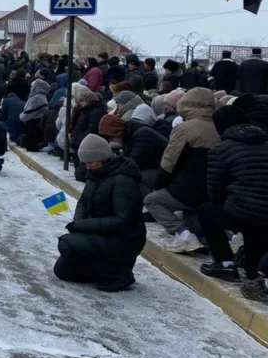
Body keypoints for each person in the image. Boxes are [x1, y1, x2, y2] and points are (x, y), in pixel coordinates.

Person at [53, 134, 146, 292]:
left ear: (103, 158)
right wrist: (79, 223)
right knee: (62, 271)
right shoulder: (96, 174)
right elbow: (83, 201)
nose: (87, 167)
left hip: (124, 240)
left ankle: (119, 273)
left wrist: (82, 226)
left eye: (90, 162)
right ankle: (101, 270)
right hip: (99, 233)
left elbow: (122, 221)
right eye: (85, 163)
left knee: (68, 244)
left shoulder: (123, 181)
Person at [196, 106, 268, 283]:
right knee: (256, 220)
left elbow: (214, 190)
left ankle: (225, 263)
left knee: (207, 211)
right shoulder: (265, 144)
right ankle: (253, 268)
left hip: (241, 209)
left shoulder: (220, 149)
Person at [144, 88, 220, 254]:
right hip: (214, 188)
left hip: (189, 186)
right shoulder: (219, 126)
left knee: (152, 200)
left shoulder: (185, 128)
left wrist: (160, 184)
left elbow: (169, 161)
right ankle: (203, 238)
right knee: (191, 211)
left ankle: (183, 234)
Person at [122, 103, 168, 195]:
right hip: (158, 168)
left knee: (133, 177)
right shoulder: (137, 133)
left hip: (162, 171)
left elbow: (136, 161)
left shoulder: (143, 134)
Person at [19, 78, 51, 152]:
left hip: (34, 123)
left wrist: (21, 116)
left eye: (32, 86)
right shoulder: (39, 96)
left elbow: (29, 112)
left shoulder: (37, 98)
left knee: (31, 145)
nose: (31, 88)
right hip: (35, 122)